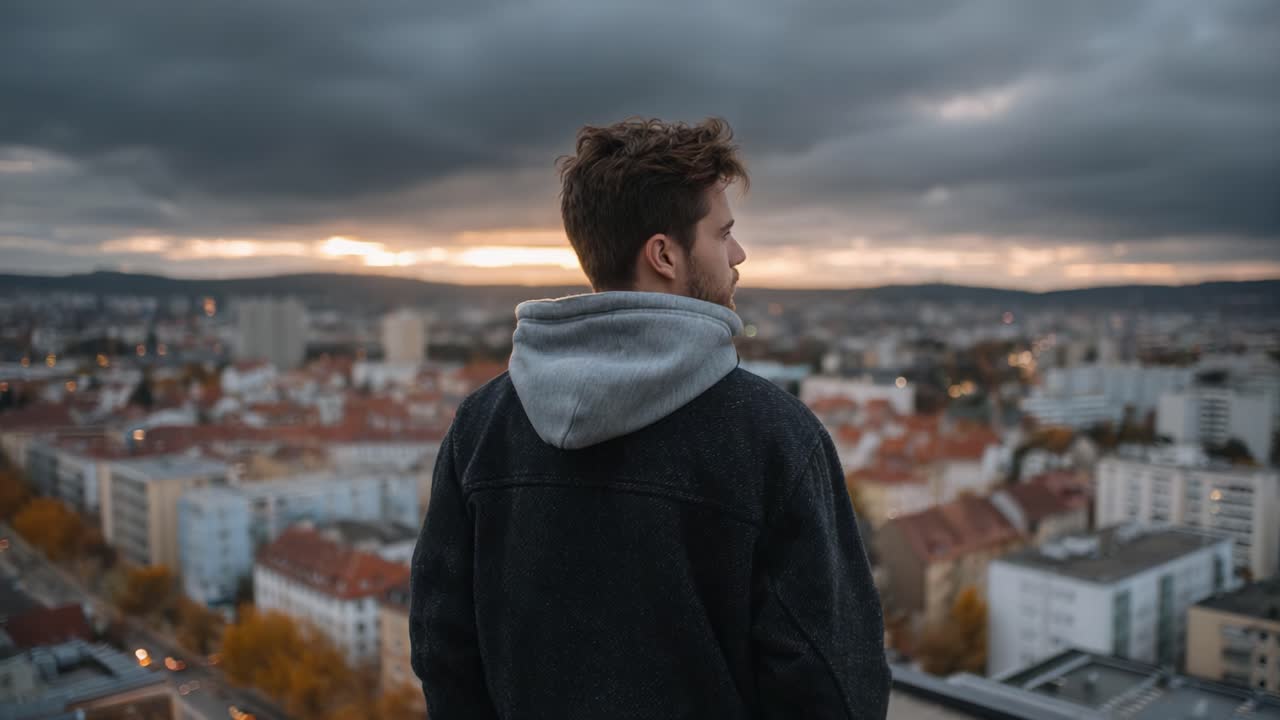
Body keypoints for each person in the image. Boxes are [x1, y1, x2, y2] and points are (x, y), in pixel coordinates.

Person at [410, 117, 890, 719]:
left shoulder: (482, 428)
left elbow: (443, 650)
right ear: (664, 254)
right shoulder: (775, 438)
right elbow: (833, 687)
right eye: (723, 234)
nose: (739, 254)